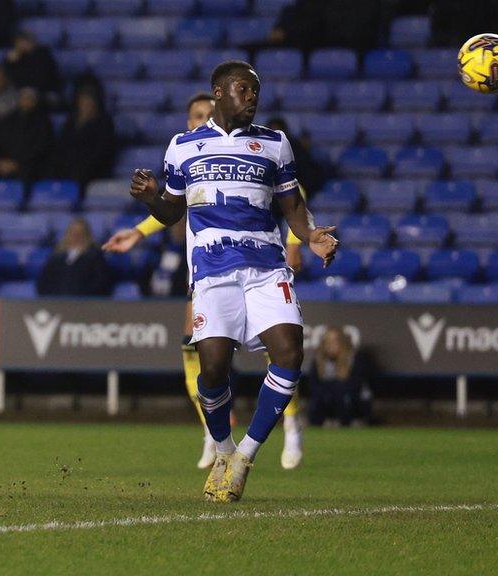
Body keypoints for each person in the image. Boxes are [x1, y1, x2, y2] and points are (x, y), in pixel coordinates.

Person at [128, 60, 339, 502]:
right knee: (214, 369)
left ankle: (244, 455)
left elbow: (292, 208)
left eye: (256, 92)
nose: (252, 97)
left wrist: (311, 236)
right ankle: (222, 449)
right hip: (212, 272)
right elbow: (171, 212)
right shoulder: (184, 147)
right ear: (219, 93)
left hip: (266, 268)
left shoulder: (275, 145)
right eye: (244, 89)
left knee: (289, 352)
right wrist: (151, 198)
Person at [103, 91, 307, 471]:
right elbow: (179, 203)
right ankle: (214, 436)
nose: (200, 121)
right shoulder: (189, 154)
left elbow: (292, 195)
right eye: (195, 115)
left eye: (206, 114)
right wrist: (139, 232)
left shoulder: (252, 147)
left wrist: (298, 239)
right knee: (198, 352)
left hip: (256, 261)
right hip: (206, 267)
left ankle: (291, 423)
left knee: (276, 351)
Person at [0, 87, 52, 183]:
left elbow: (40, 148)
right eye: (23, 98)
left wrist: (17, 163)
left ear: (35, 101)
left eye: (29, 98)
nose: (26, 101)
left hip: (28, 165)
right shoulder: (7, 120)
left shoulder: (43, 122)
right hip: (5, 163)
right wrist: (0, 161)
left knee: (27, 174)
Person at [52, 88, 116, 186]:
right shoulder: (70, 122)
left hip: (92, 170)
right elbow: (62, 146)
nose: (87, 106)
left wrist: (83, 166)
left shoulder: (104, 124)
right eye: (84, 103)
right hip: (68, 167)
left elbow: (102, 150)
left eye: (89, 103)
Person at [306, 328, 369, 427]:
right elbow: (314, 385)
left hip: (354, 401)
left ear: (342, 342)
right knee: (320, 397)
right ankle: (325, 420)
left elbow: (356, 385)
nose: (331, 345)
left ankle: (352, 420)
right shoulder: (319, 361)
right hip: (330, 400)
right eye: (328, 341)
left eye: (335, 341)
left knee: (344, 395)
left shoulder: (353, 359)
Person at [37, 218, 112, 296]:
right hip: (57, 302)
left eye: (80, 233)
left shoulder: (95, 257)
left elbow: (102, 283)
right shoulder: (56, 257)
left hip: (85, 303)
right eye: (73, 232)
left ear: (87, 235)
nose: (76, 236)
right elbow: (44, 282)